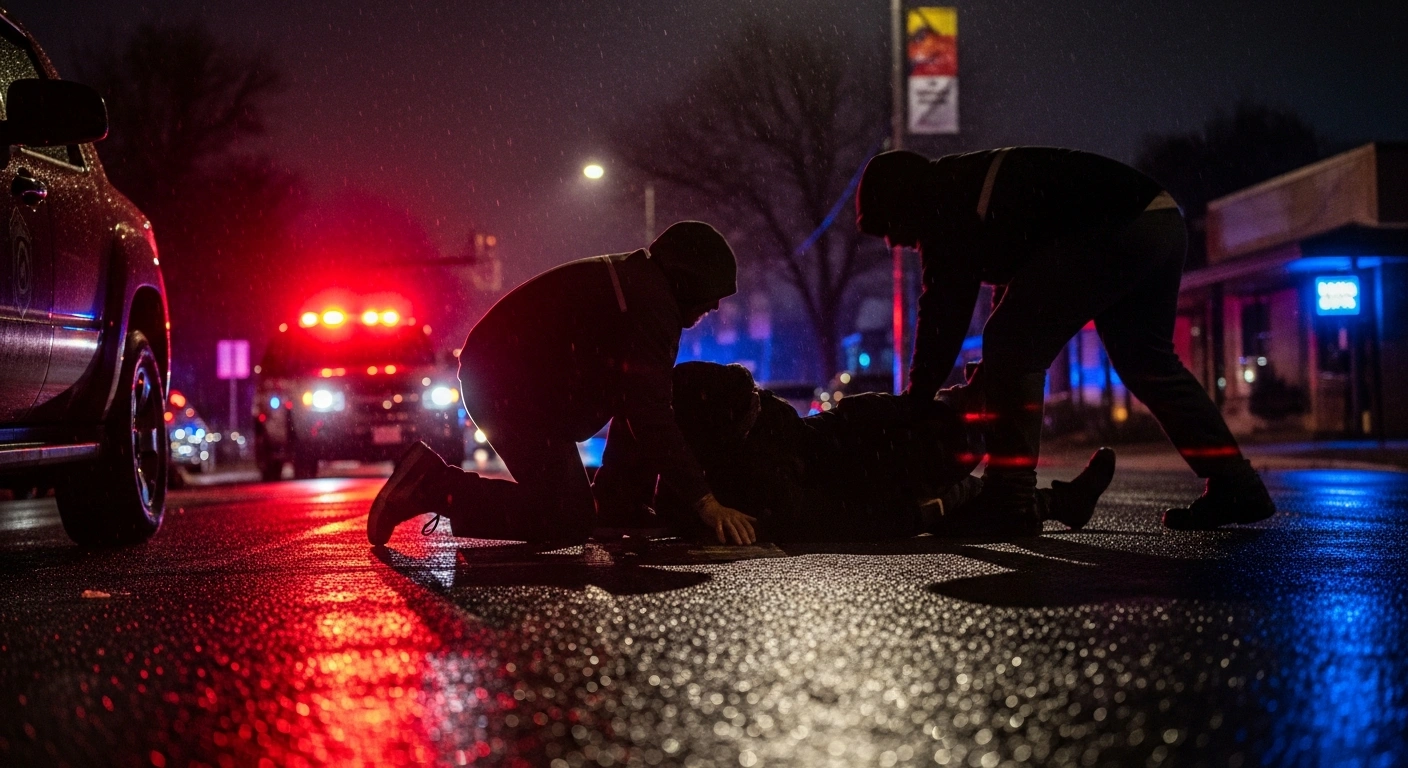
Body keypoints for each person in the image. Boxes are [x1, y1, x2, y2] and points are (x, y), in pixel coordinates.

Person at [855, 147, 1275, 532]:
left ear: (905, 199)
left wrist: (917, 396)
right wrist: (990, 379)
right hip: (1159, 221)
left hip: (1114, 224)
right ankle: (1235, 484)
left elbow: (944, 310)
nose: (894, 242)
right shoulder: (972, 188)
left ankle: (1010, 496)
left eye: (889, 226)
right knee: (1149, 364)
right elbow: (1019, 286)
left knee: (1009, 341)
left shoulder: (944, 204)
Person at [366, 221, 759, 547]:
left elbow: (639, 396)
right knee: (566, 519)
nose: (713, 307)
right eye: (710, 295)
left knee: (584, 495)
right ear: (688, 280)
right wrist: (705, 502)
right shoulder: (648, 305)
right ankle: (432, 484)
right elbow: (649, 412)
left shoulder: (640, 285)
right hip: (506, 389)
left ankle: (616, 504)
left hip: (513, 381)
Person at [661, 361, 1117, 541]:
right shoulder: (757, 464)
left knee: (974, 500)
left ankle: (1058, 503)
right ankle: (1056, 503)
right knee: (968, 499)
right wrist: (922, 512)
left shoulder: (750, 418)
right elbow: (829, 519)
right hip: (870, 476)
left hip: (860, 451)